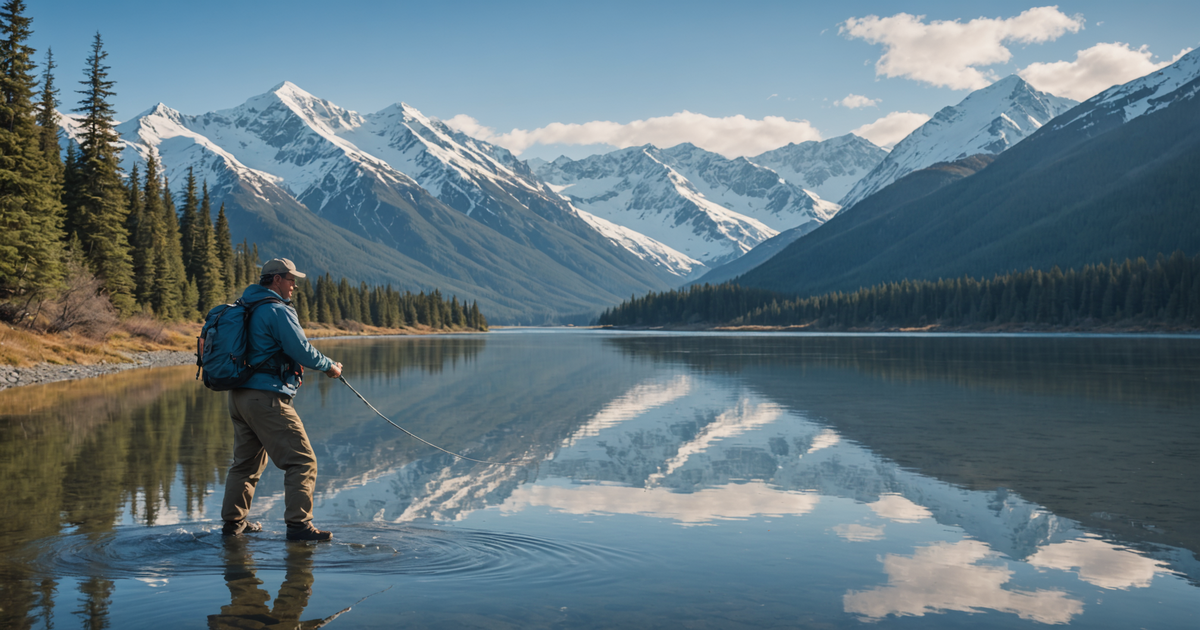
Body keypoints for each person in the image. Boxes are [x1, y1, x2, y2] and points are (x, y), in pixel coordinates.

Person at [220, 258, 343, 542]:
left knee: (245, 464)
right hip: (265, 397)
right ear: (276, 279)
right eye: (290, 279)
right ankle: (299, 527)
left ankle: (233, 525)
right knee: (303, 461)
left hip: (239, 397)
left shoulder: (246, 306)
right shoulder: (276, 310)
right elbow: (301, 349)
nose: (294, 285)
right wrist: (330, 366)